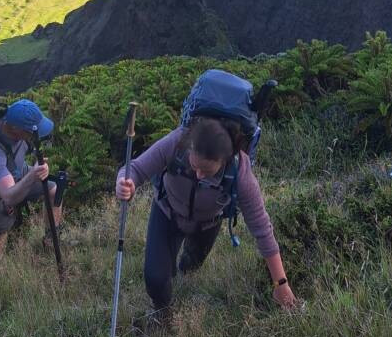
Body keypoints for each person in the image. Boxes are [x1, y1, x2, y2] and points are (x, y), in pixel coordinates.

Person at [116, 116, 296, 316]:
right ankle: (163, 312)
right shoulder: (176, 142)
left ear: (224, 160)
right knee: (155, 279)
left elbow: (262, 229)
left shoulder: (240, 173)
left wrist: (281, 283)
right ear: (191, 146)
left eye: (207, 170)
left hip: (206, 225)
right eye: (194, 166)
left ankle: (181, 273)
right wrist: (126, 184)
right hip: (167, 213)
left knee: (190, 266)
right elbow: (136, 169)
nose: (199, 175)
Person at [0, 98, 61, 259]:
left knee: (54, 189)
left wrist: (34, 170)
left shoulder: (18, 128)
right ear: (15, 129)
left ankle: (50, 241)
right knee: (0, 230)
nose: (36, 135)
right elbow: (9, 197)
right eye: (32, 131)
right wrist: (32, 176)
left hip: (16, 170)